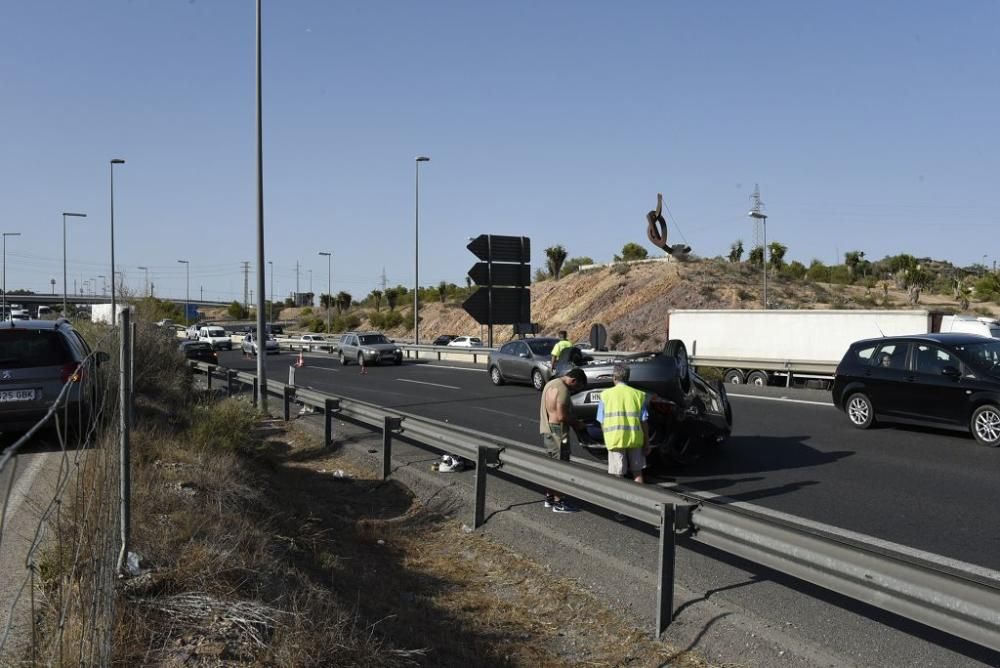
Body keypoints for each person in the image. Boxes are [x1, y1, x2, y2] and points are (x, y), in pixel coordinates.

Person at [539, 367, 587, 513]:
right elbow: (561, 416)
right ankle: (559, 503)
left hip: (547, 430)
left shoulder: (550, 383)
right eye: (577, 387)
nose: (575, 391)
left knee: (551, 466)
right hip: (557, 433)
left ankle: (550, 497)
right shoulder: (563, 390)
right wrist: (578, 424)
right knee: (560, 467)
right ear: (573, 380)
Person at [597, 363, 650, 484]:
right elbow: (644, 421)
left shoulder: (605, 395)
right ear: (628, 377)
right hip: (635, 439)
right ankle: (640, 500)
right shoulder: (638, 395)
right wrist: (647, 442)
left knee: (618, 475)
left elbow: (602, 421)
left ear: (614, 377)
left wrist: (606, 439)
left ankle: (621, 501)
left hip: (615, 439)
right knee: (637, 473)